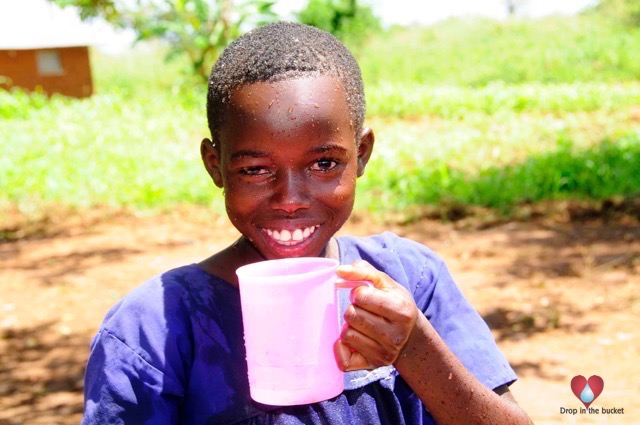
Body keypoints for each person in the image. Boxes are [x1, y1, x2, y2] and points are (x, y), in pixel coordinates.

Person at [82, 22, 532, 424]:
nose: (291, 200)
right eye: (255, 169)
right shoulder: (154, 328)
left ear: (362, 155)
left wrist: (414, 349)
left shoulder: (409, 280)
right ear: (215, 165)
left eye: (323, 164)